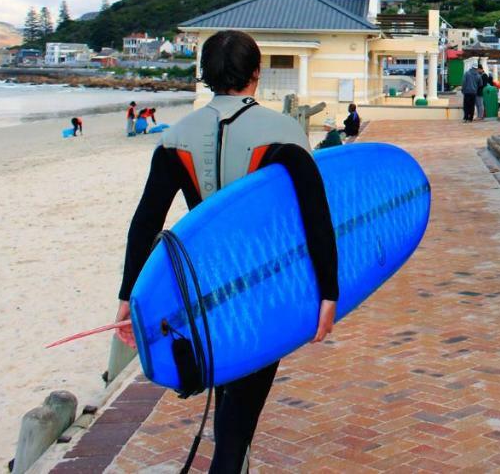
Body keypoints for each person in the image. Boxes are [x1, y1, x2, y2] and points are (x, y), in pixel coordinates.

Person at [113, 30, 339, 472]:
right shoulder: (284, 132)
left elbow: (146, 223)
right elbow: (315, 217)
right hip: (262, 284)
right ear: (256, 73)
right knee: (237, 421)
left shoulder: (176, 137)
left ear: (206, 75)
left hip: (202, 287)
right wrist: (328, 292)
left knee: (231, 389)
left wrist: (128, 295)